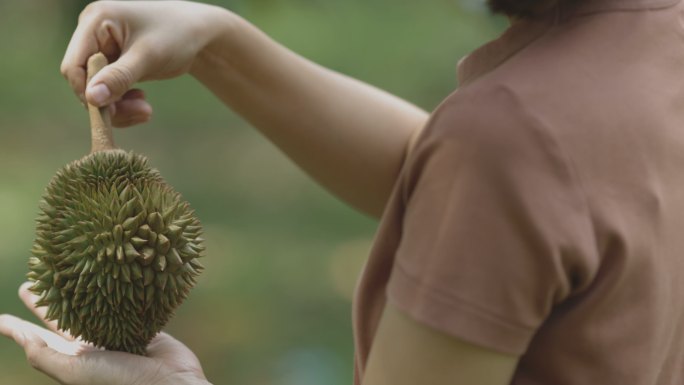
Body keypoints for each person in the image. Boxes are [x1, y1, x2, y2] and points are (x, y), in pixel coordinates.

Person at [2, 0, 684, 383]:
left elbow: (495, 181)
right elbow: (476, 200)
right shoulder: (656, 38)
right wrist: (218, 44)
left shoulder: (507, 146)